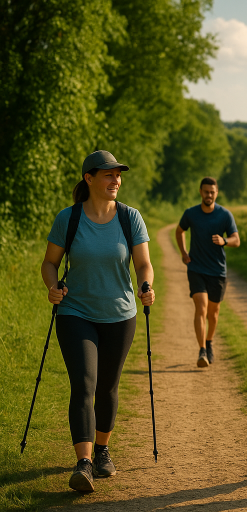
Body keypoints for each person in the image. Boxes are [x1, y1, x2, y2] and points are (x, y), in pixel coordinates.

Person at [41, 150, 155, 493]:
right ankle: (84, 463)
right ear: (89, 179)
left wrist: (147, 285)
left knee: (107, 386)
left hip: (120, 315)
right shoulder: (69, 218)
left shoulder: (130, 218)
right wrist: (52, 287)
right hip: (75, 312)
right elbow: (49, 263)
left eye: (118, 174)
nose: (115, 180)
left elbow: (143, 264)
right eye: (108, 174)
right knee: (84, 384)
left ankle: (103, 450)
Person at [175, 177, 240, 367]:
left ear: (216, 193)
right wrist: (183, 252)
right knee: (201, 307)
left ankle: (209, 342)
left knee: (214, 312)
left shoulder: (225, 215)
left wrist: (224, 241)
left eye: (212, 192)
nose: (208, 195)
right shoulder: (191, 214)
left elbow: (236, 239)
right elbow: (179, 231)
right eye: (205, 191)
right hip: (196, 268)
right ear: (200, 192)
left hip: (217, 271)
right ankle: (202, 350)